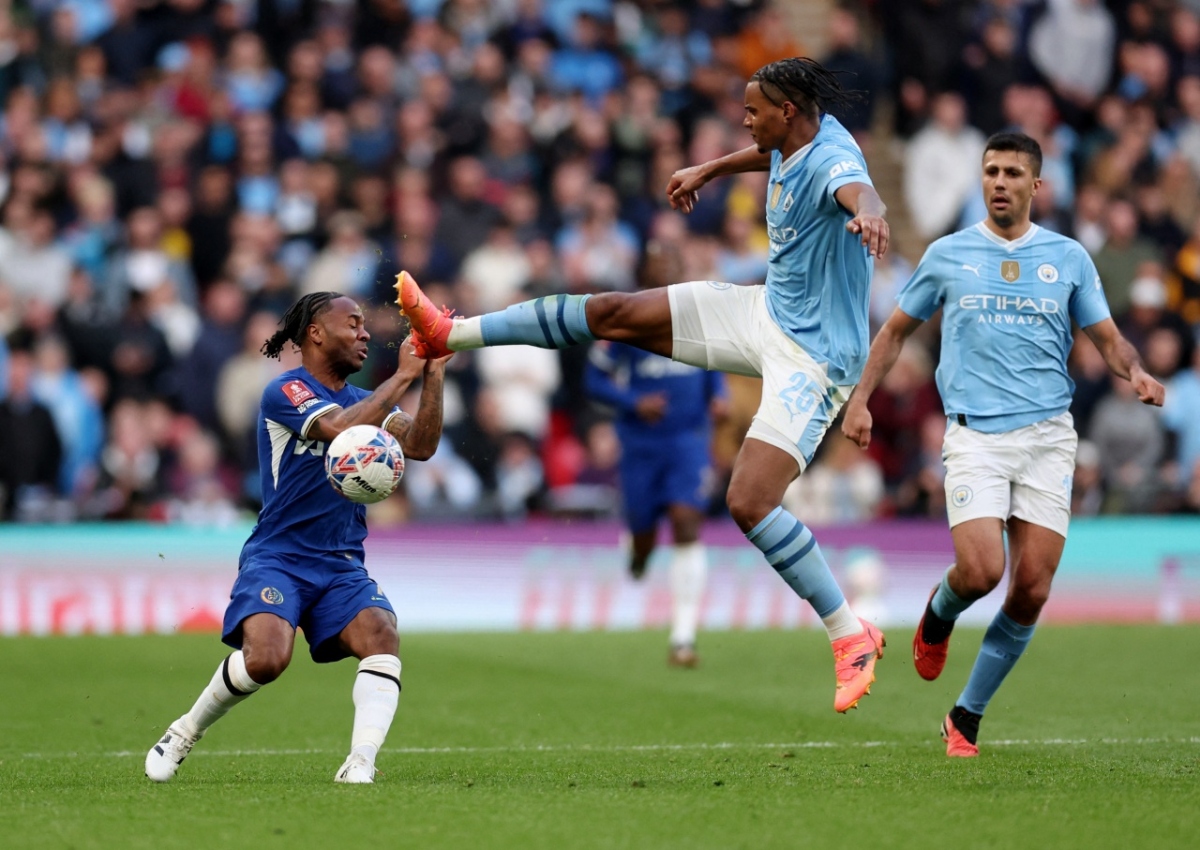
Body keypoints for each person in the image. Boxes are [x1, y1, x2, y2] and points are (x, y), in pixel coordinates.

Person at [400, 57, 890, 713]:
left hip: (818, 359)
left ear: (788, 113)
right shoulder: (790, 139)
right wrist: (711, 168)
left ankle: (848, 632)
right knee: (613, 313)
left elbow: (858, 190)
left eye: (753, 112)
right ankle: (448, 334)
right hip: (765, 313)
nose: (744, 121)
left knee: (748, 500)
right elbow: (769, 157)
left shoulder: (834, 162)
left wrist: (875, 215)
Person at [841, 133, 1165, 757]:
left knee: (1032, 588)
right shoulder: (948, 254)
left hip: (1048, 436)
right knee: (984, 570)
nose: (999, 181)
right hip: (976, 436)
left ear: (1036, 186)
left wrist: (1136, 371)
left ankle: (966, 717)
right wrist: (859, 401)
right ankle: (940, 612)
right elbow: (894, 332)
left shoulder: (1068, 258)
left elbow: (1109, 340)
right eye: (990, 171)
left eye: (1012, 173)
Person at [145, 291, 451, 784]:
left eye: (364, 325)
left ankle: (361, 762)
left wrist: (433, 371)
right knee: (266, 660)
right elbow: (335, 427)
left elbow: (419, 444)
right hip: (279, 557)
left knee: (382, 635)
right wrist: (403, 375)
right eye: (352, 324)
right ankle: (184, 730)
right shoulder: (285, 391)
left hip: (341, 562)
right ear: (315, 332)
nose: (365, 333)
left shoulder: (363, 401)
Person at [585, 339, 727, 668]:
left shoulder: (697, 320)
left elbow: (713, 367)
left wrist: (720, 396)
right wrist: (635, 401)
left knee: (686, 522)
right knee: (643, 533)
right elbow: (594, 381)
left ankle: (683, 639)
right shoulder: (627, 324)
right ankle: (638, 553)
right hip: (640, 444)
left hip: (688, 441)